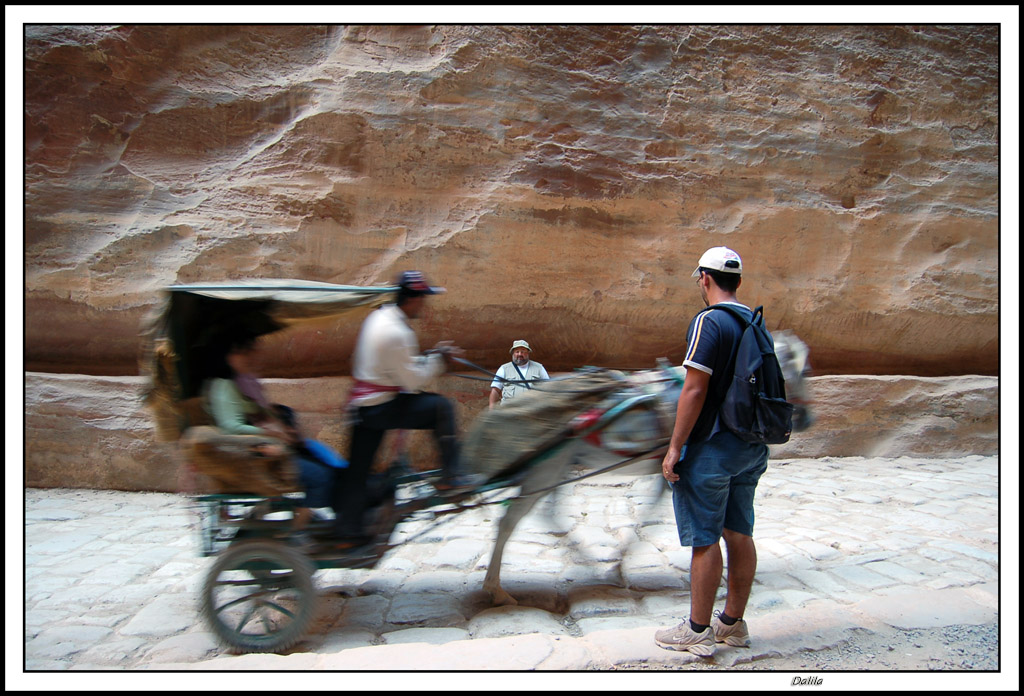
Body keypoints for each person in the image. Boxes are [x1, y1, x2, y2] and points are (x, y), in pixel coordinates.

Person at [654, 246, 770, 656]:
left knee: (705, 539)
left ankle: (698, 631)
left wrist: (674, 448)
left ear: (704, 278)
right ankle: (732, 624)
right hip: (751, 447)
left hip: (711, 449)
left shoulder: (709, 322)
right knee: (740, 532)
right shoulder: (756, 322)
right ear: (736, 280)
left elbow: (695, 388)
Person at [336, 270, 473, 546]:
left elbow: (398, 368)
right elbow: (412, 383)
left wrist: (433, 355)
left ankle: (347, 533)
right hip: (381, 406)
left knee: (358, 470)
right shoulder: (397, 332)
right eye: (422, 300)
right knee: (440, 408)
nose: (424, 305)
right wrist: (440, 362)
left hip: (363, 407)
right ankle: (451, 477)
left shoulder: (379, 316)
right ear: (411, 300)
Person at [206, 337, 343, 548]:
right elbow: (231, 428)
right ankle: (296, 532)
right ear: (229, 357)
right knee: (321, 477)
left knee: (326, 462)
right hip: (257, 456)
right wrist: (267, 433)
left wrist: (280, 425)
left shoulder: (238, 383)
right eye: (243, 352)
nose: (250, 356)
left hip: (268, 449)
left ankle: (338, 521)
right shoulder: (224, 387)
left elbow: (257, 412)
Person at [488, 339, 550, 409]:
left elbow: (548, 389)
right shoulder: (504, 369)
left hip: (532, 412)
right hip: (508, 412)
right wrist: (492, 409)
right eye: (517, 352)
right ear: (513, 353)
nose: (520, 354)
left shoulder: (539, 368)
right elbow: (495, 391)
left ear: (528, 353)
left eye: (523, 351)